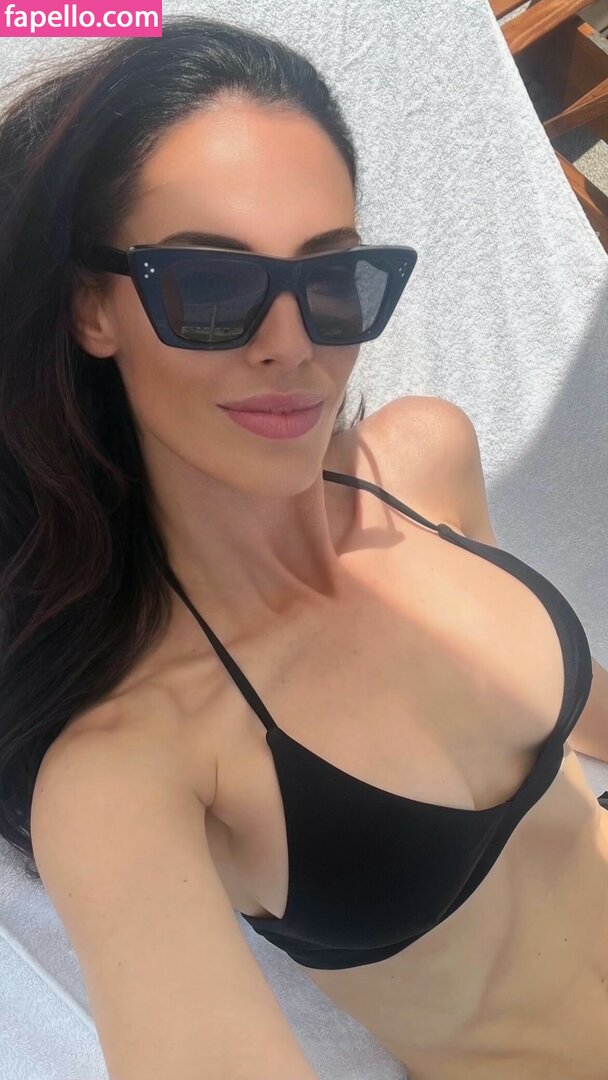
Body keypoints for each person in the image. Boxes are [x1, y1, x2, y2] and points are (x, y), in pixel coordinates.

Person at [0, 14, 607, 1080]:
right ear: (93, 308)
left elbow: (572, 720)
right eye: (209, 286)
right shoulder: (128, 768)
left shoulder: (422, 460)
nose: (292, 345)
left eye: (333, 281)